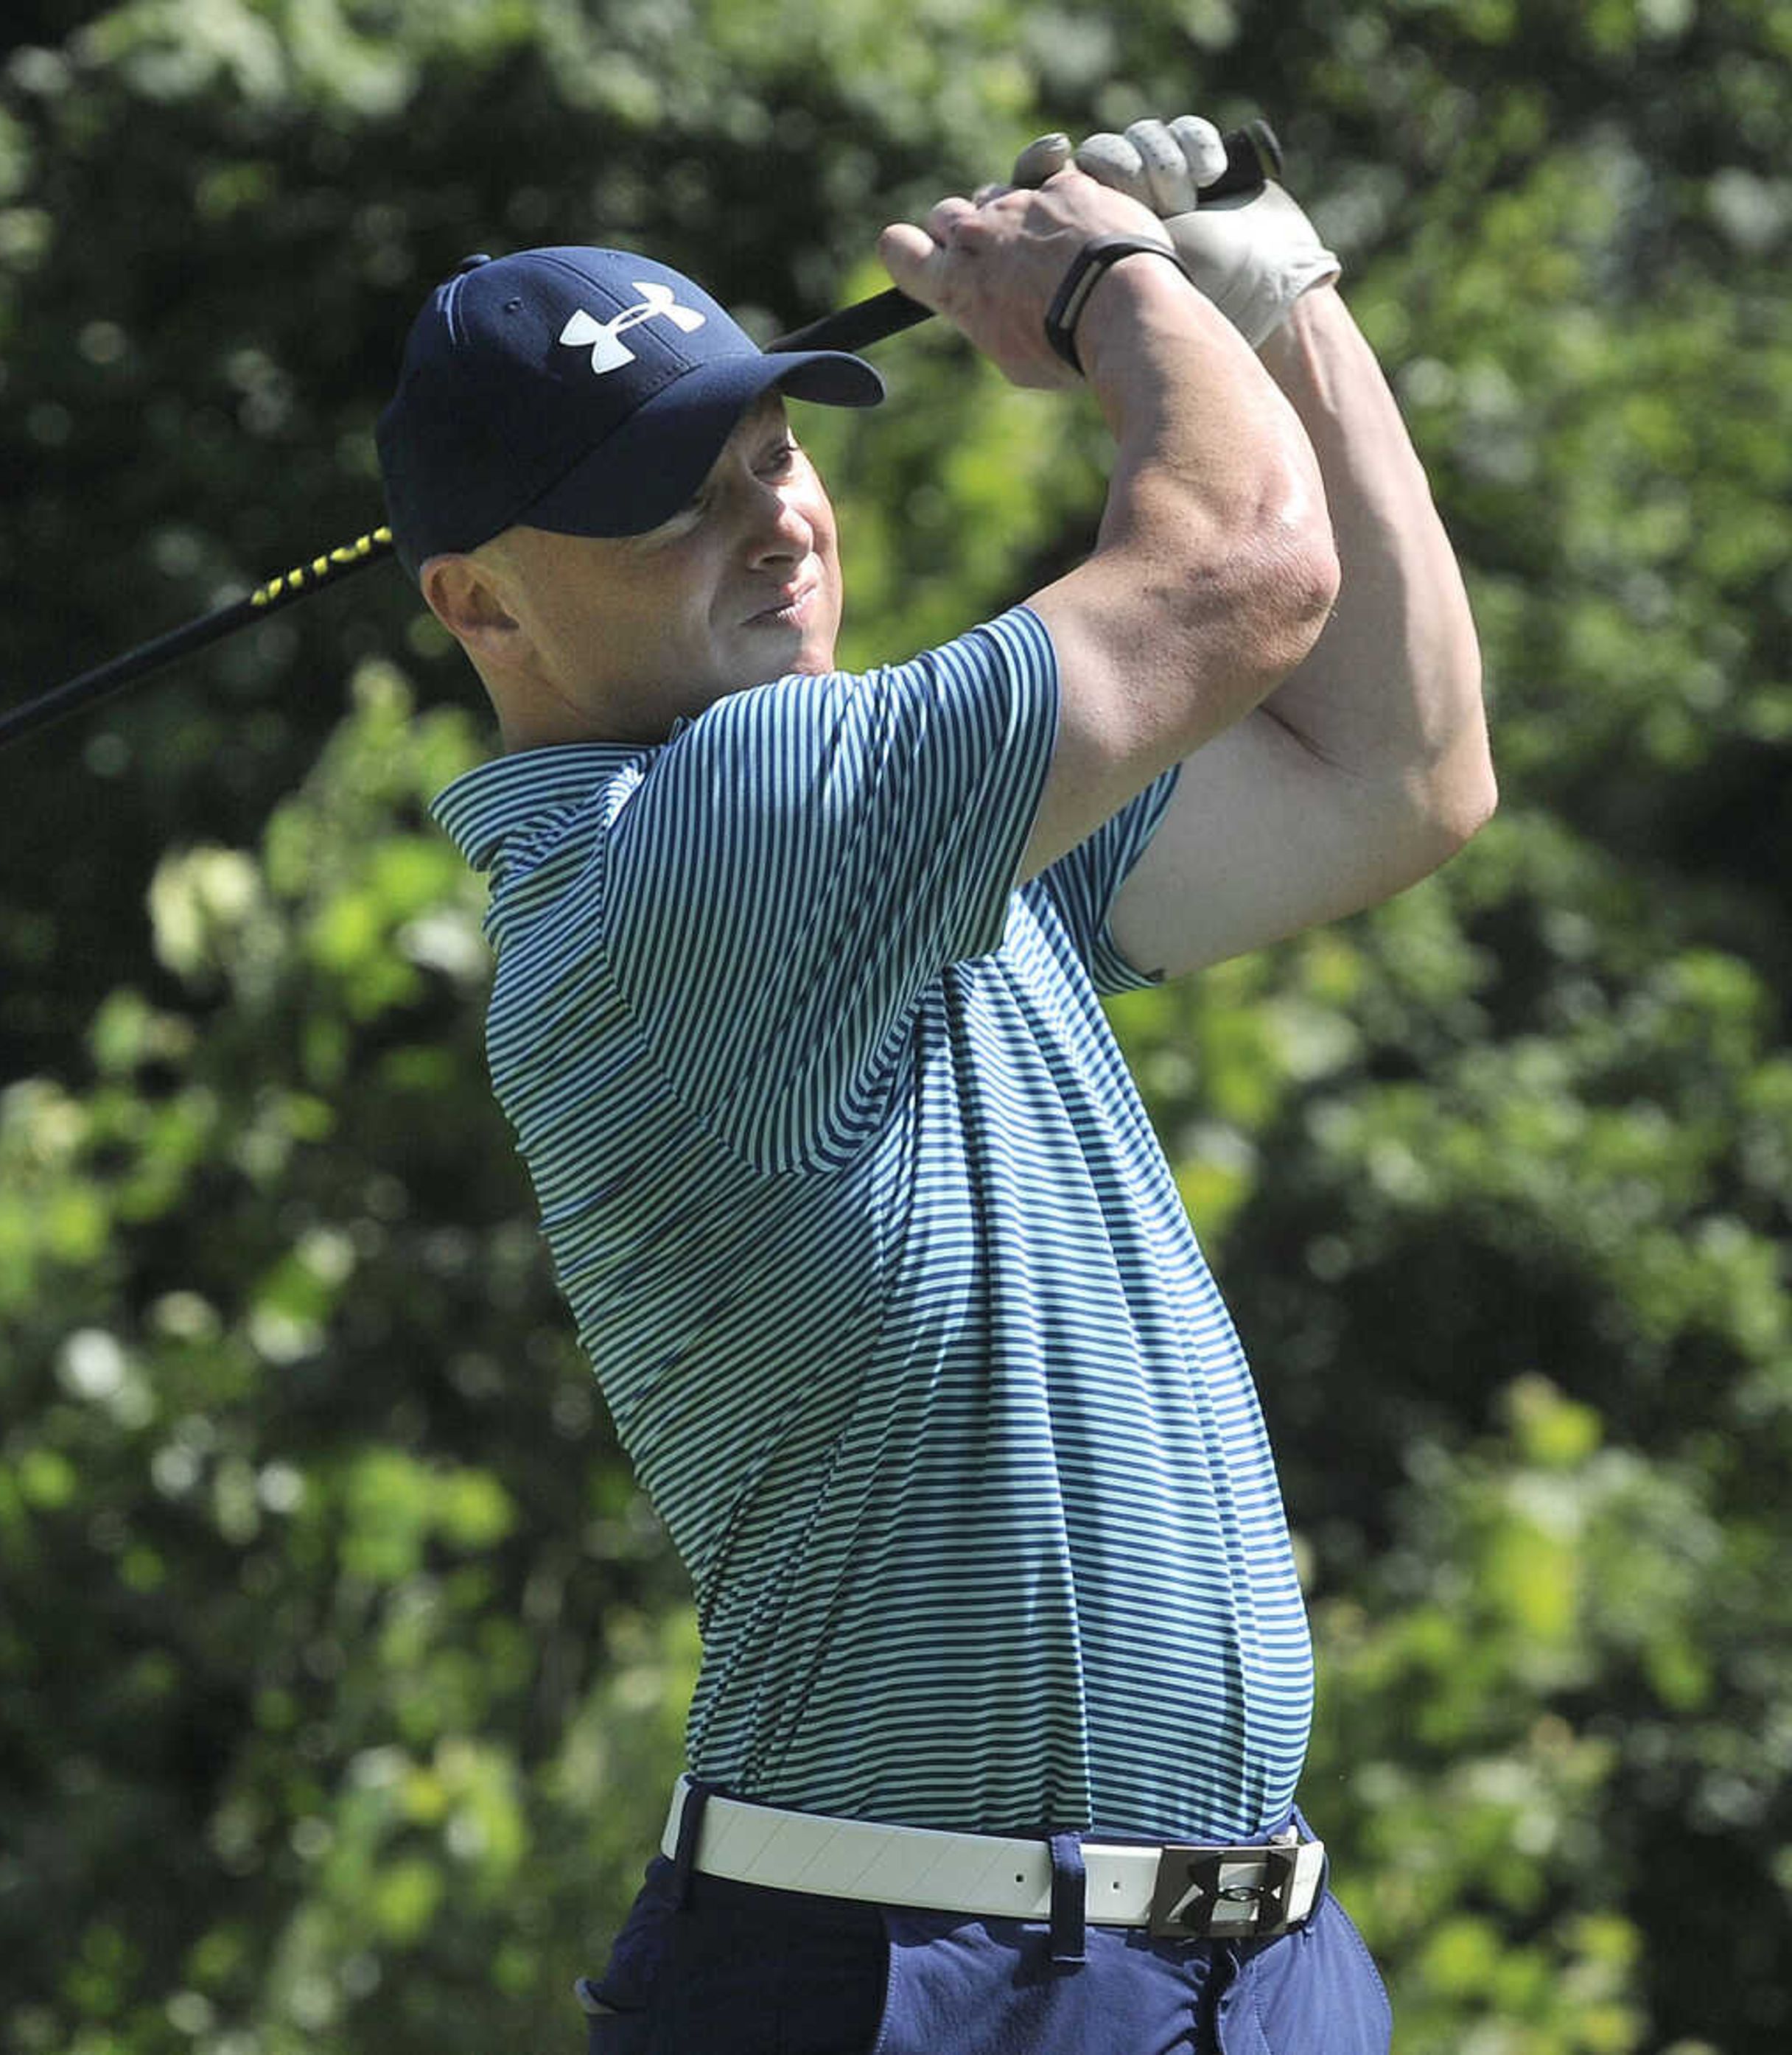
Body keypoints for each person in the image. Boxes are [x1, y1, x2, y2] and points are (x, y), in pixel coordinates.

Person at [374, 113, 1491, 2054]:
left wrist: (1277, 298)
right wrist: (1109, 287)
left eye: (775, 452)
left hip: (1250, 1962)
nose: (782, 519)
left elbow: (1401, 776)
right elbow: (1244, 567)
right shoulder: (713, 843)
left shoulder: (894, 841)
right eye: (673, 502)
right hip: (909, 1976)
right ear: (481, 607)